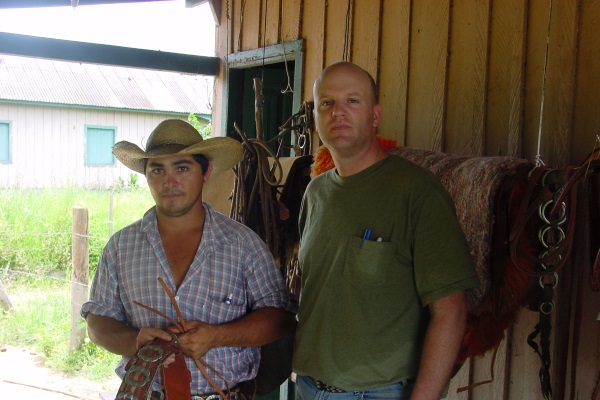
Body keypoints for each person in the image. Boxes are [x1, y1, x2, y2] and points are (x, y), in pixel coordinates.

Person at [292, 62, 480, 400]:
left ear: (375, 116)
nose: (338, 113)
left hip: (380, 392)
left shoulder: (417, 192)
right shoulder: (315, 193)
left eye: (353, 101)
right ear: (316, 118)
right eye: (327, 103)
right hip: (310, 386)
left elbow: (450, 311)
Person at [81, 119, 295, 400]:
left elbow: (280, 320)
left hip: (224, 394)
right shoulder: (121, 247)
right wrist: (134, 340)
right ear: (146, 175)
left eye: (182, 168)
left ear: (205, 172)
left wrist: (216, 336)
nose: (169, 181)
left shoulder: (243, 245)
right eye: (157, 169)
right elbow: (98, 323)